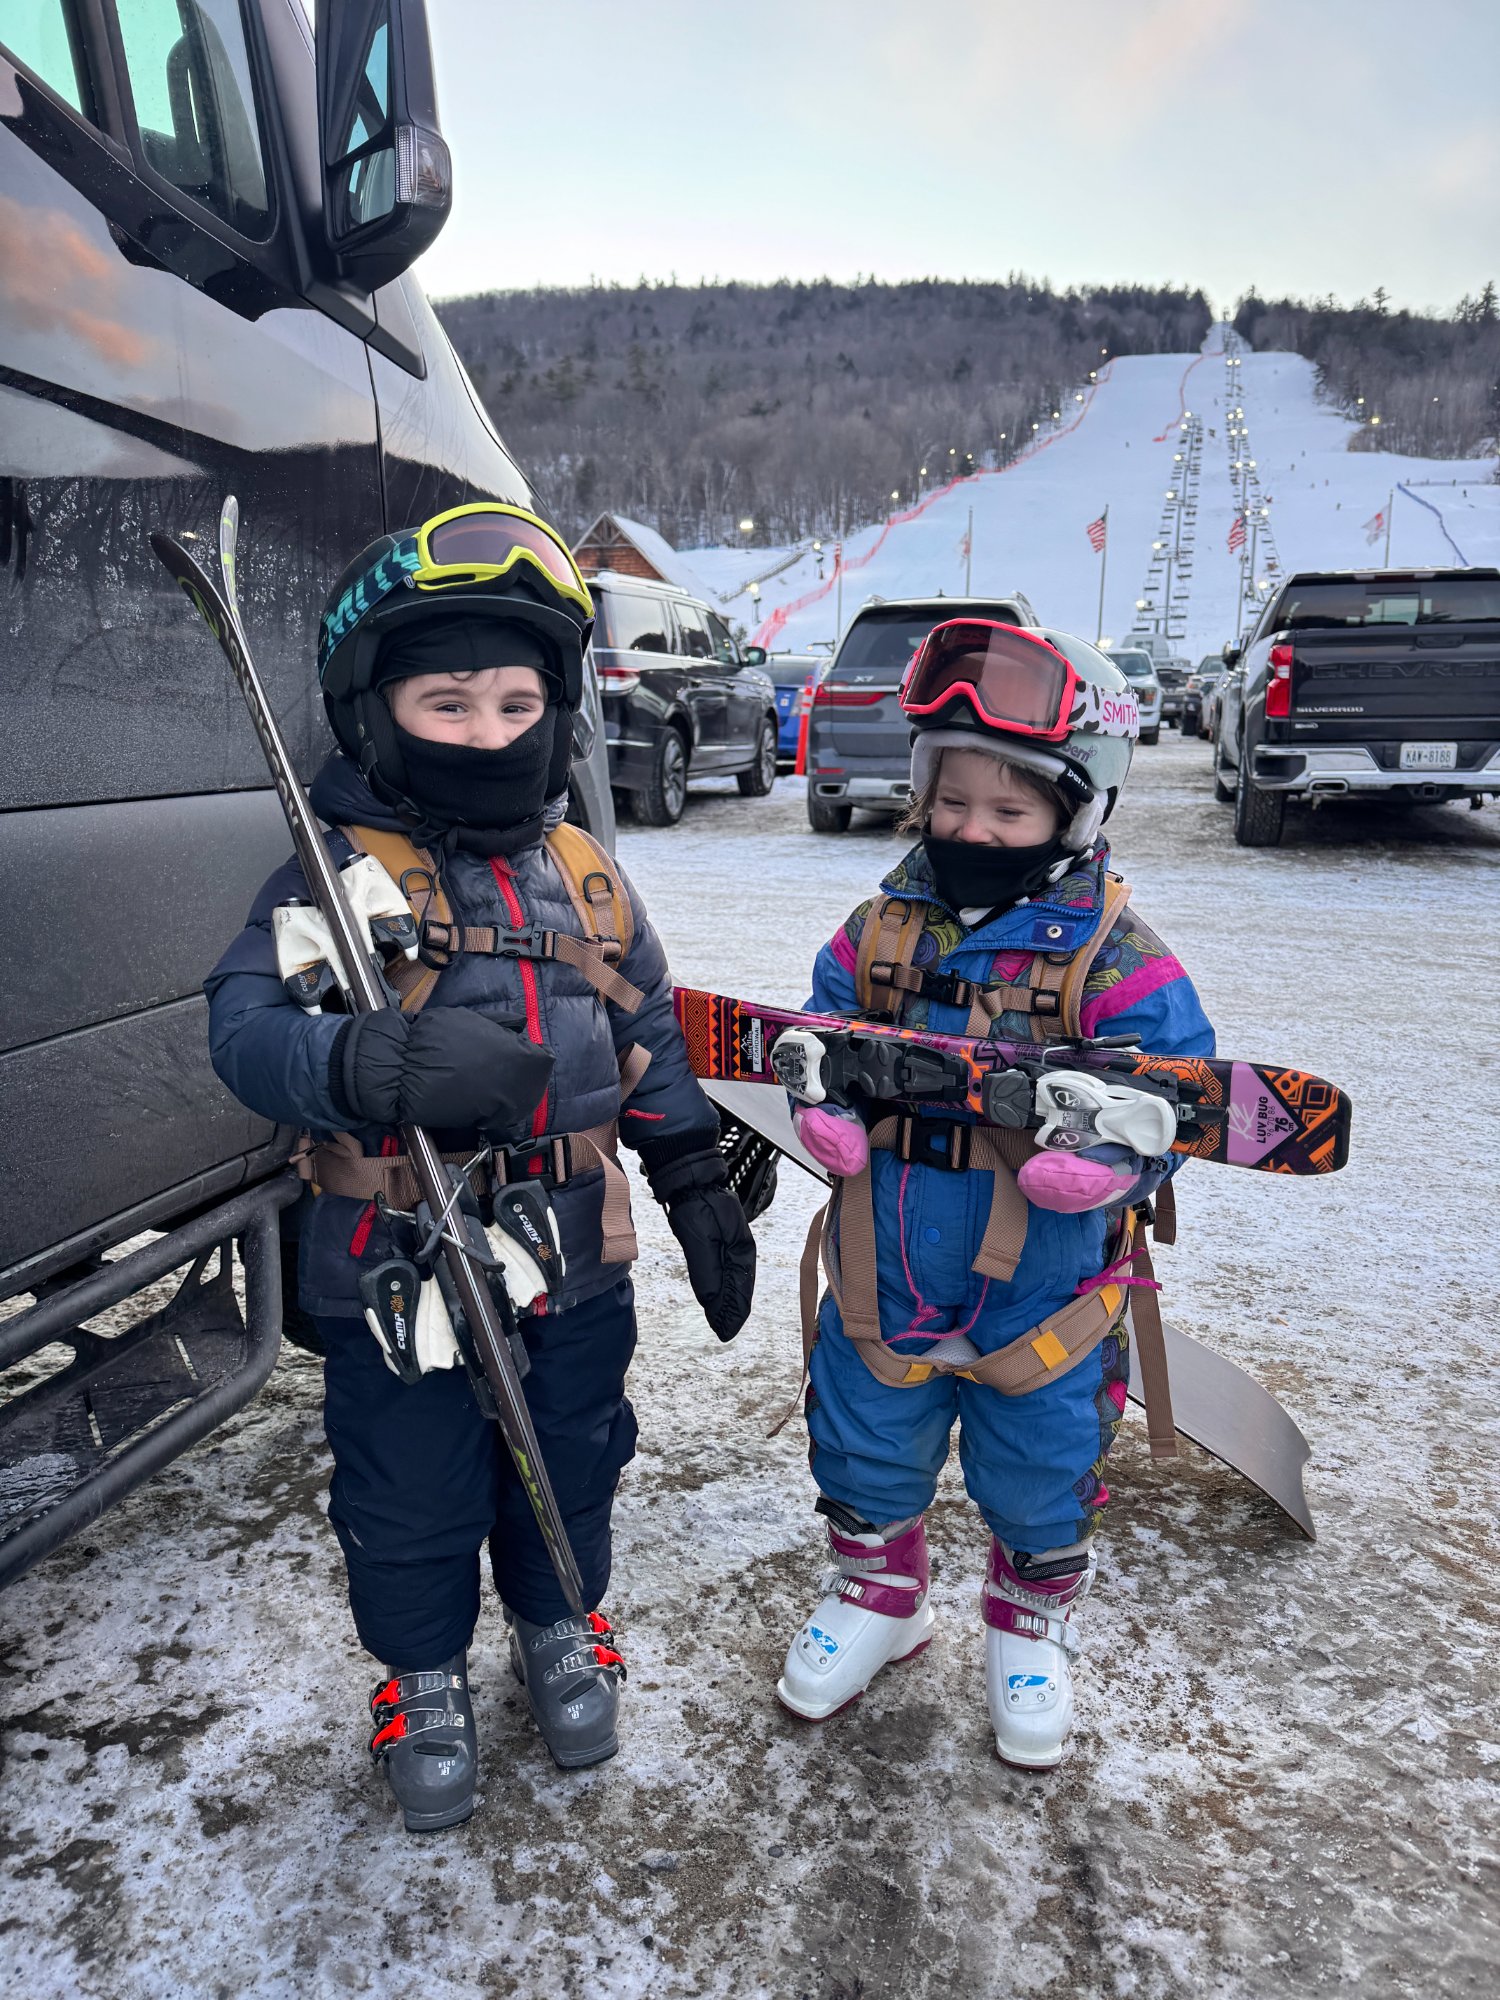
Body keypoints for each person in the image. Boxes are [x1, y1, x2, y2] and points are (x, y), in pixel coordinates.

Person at [205, 504, 755, 1832]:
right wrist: (371, 1066)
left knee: (572, 1450)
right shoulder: (334, 875)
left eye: (519, 698)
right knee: (410, 1483)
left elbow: (644, 1032)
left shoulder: (588, 877)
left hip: (572, 1257)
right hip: (397, 1267)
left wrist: (690, 1176)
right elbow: (243, 1031)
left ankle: (560, 1625)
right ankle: (423, 1673)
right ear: (373, 710)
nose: (491, 729)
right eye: (447, 701)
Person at [776, 620, 1214, 1768]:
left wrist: (1123, 1158)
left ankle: (1029, 1619)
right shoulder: (881, 927)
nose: (974, 828)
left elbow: (1185, 1091)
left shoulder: (1117, 957)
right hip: (888, 1265)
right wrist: (821, 1097)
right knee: (866, 1441)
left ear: (1076, 812)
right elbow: (822, 1028)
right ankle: (883, 1595)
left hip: (1050, 1290)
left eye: (1009, 813)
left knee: (1039, 1462)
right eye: (950, 800)